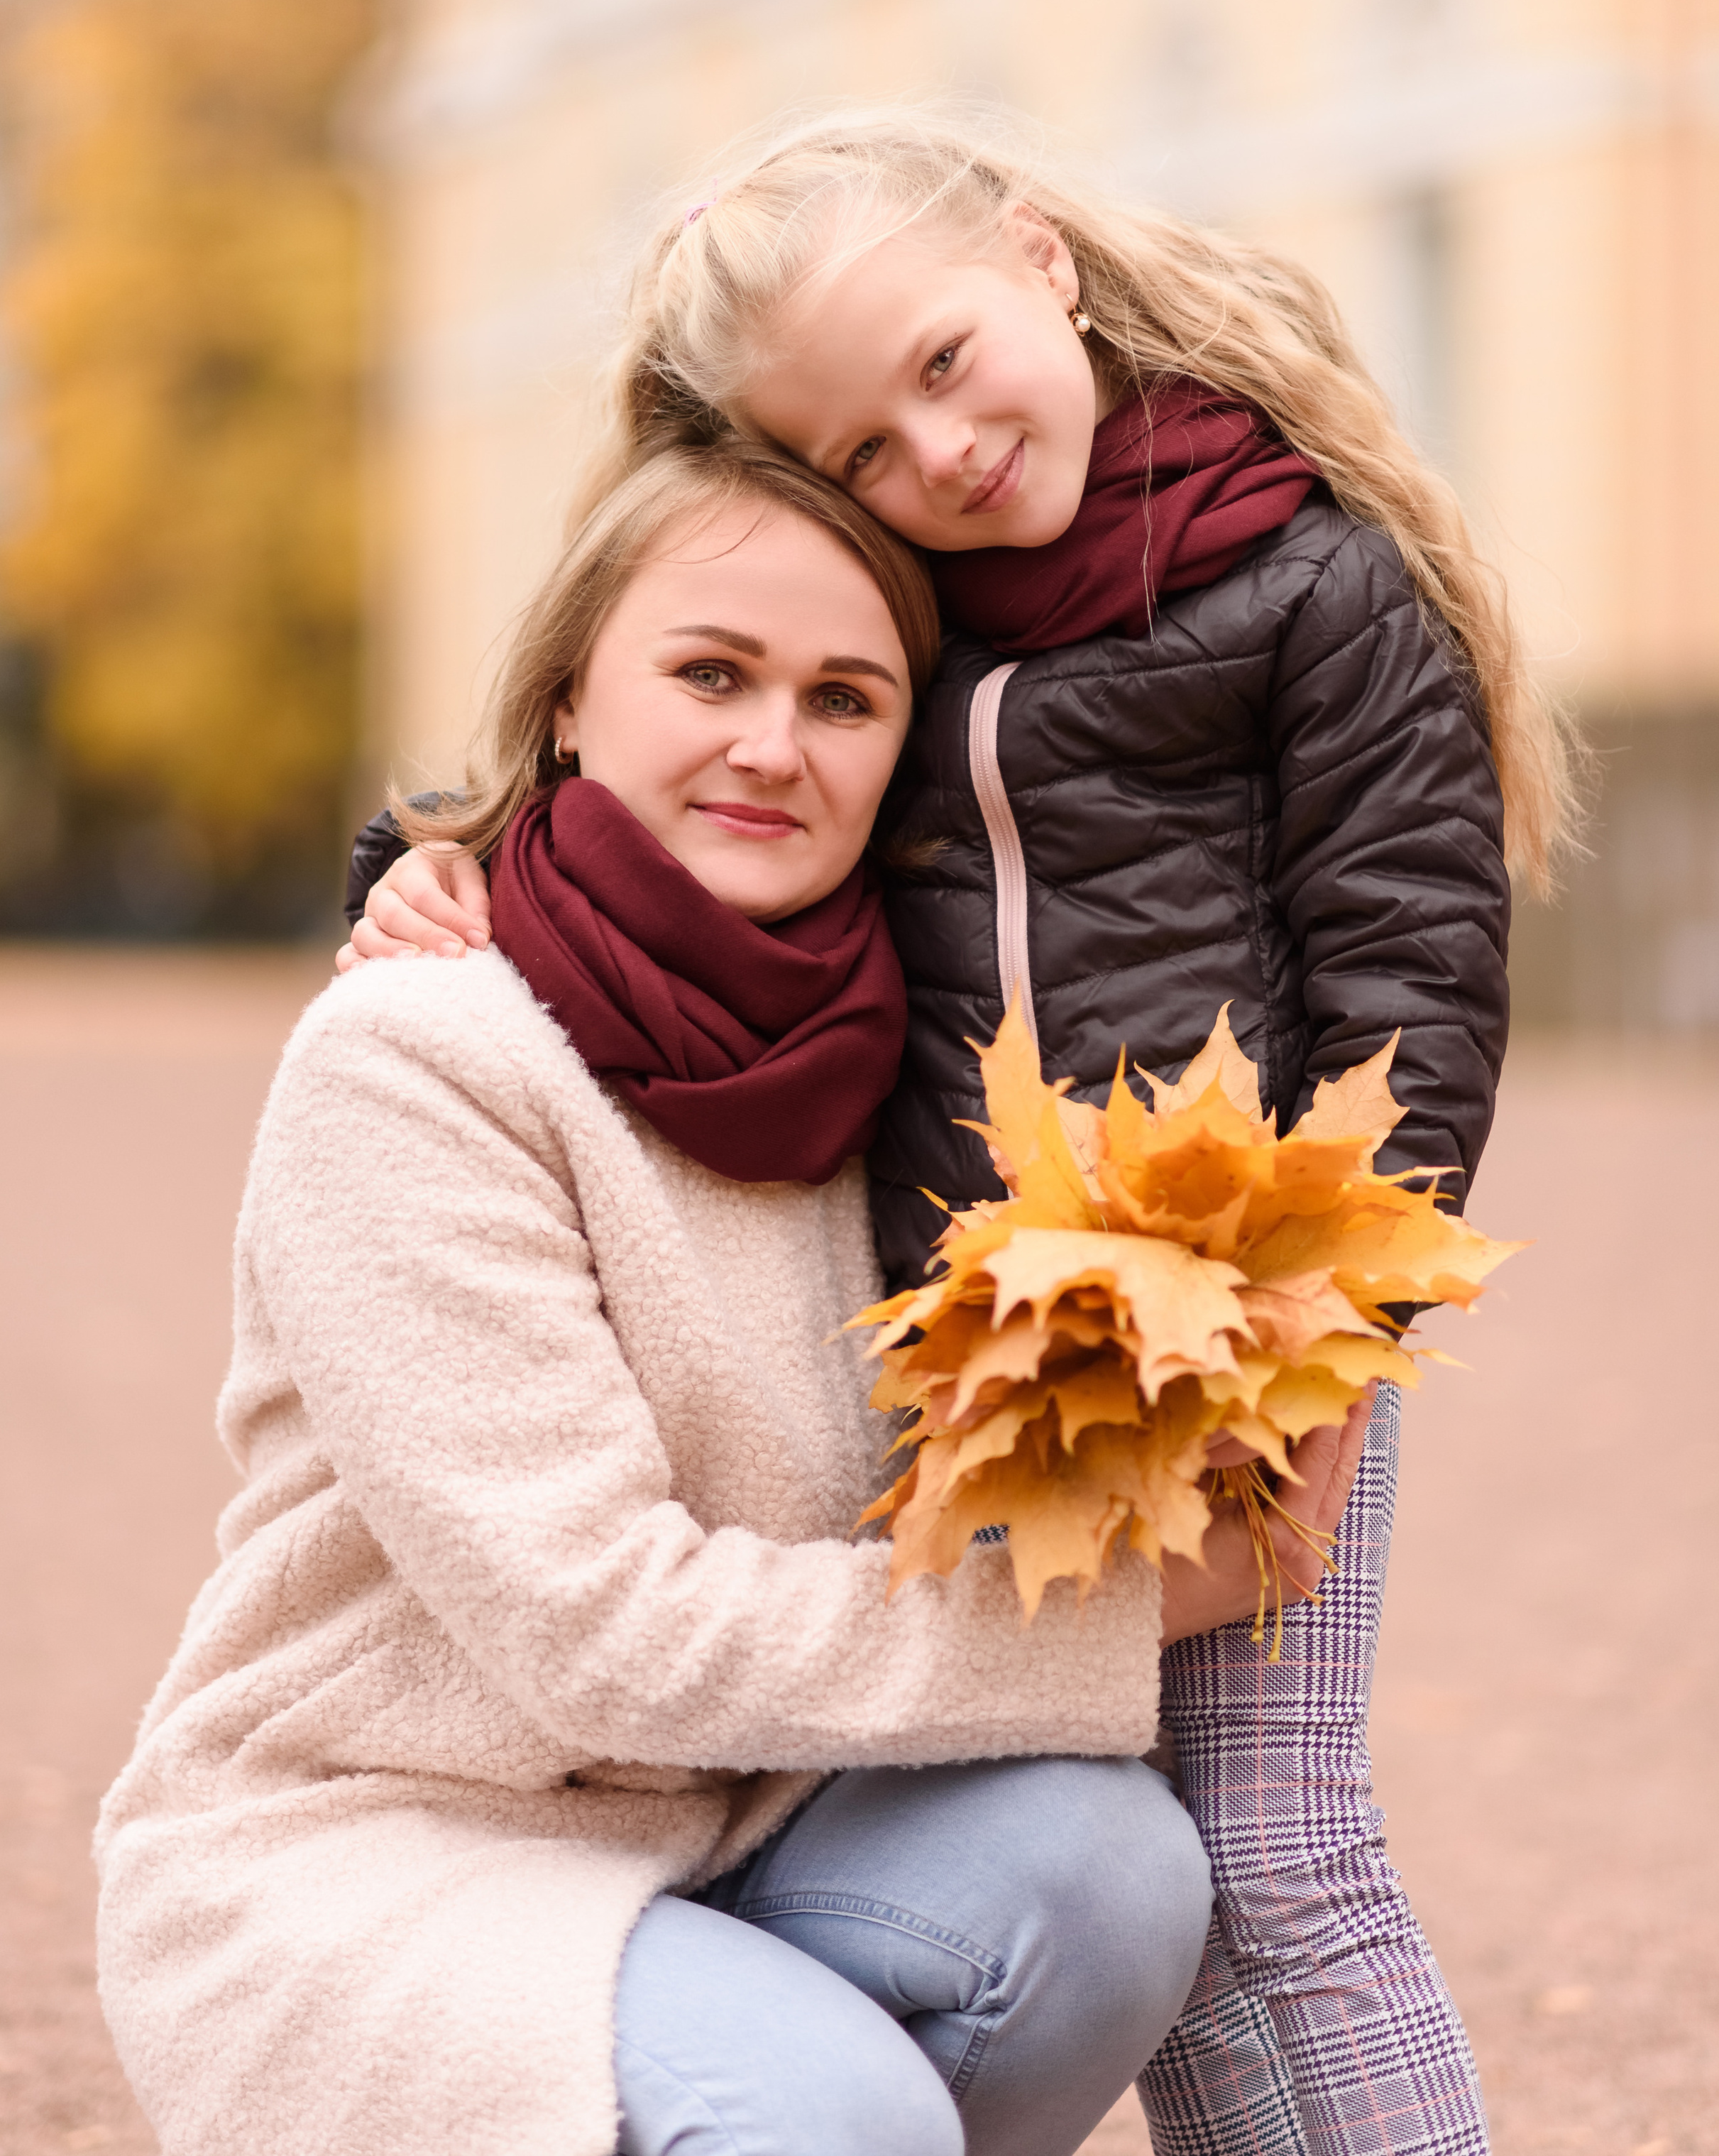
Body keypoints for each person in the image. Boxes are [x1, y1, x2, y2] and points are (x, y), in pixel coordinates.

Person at [352, 108, 1575, 2156]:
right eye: (851, 452)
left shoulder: (1310, 580)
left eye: (939, 365)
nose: (933, 457)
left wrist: (1331, 1319)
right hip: (969, 1350)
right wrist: (415, 863)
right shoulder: (899, 614)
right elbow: (657, 728)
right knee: (1125, 1851)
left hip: (1252, 1319)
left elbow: (1413, 975)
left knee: (1275, 1842)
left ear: (1038, 263)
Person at [97, 437, 1366, 2156]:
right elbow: (605, 1634)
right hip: (371, 1852)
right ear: (563, 700)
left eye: (842, 700)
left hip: (728, 1837)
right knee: (836, 2118)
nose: (771, 746)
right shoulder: (420, 1058)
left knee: (1103, 1871)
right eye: (708, 674)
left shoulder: (902, 1066)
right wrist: (1135, 1612)